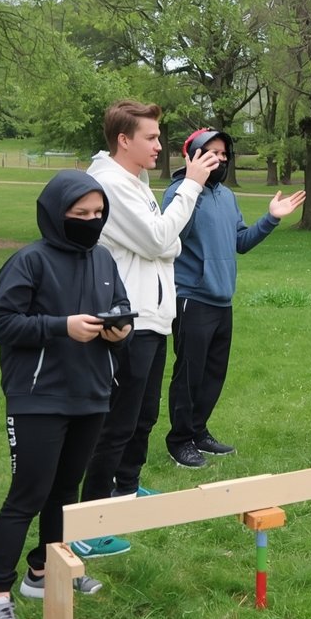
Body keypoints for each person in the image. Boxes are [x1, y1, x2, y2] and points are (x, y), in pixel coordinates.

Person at [0, 171, 132, 619]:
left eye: (97, 214)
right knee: (28, 495)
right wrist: (58, 325)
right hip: (38, 398)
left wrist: (119, 330)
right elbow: (1, 324)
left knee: (66, 496)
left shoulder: (104, 260)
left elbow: (121, 312)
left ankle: (44, 572)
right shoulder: (28, 262)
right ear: (54, 214)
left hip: (91, 395)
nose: (90, 221)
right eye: (79, 214)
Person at [75, 100, 219, 559]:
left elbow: (168, 243)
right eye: (151, 138)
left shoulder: (134, 181)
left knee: (143, 415)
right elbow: (161, 239)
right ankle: (90, 523)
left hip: (154, 318)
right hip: (125, 321)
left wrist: (163, 235)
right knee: (115, 423)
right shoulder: (109, 184)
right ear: (124, 140)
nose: (159, 145)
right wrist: (191, 188)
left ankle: (125, 489)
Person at [163, 128, 306, 468]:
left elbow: (240, 241)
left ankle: (198, 432)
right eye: (212, 153)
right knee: (188, 374)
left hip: (222, 300)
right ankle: (179, 440)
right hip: (191, 299)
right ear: (194, 155)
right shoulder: (179, 193)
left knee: (213, 374)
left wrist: (271, 218)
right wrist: (191, 186)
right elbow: (168, 237)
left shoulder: (226, 197)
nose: (221, 159)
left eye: (224, 154)